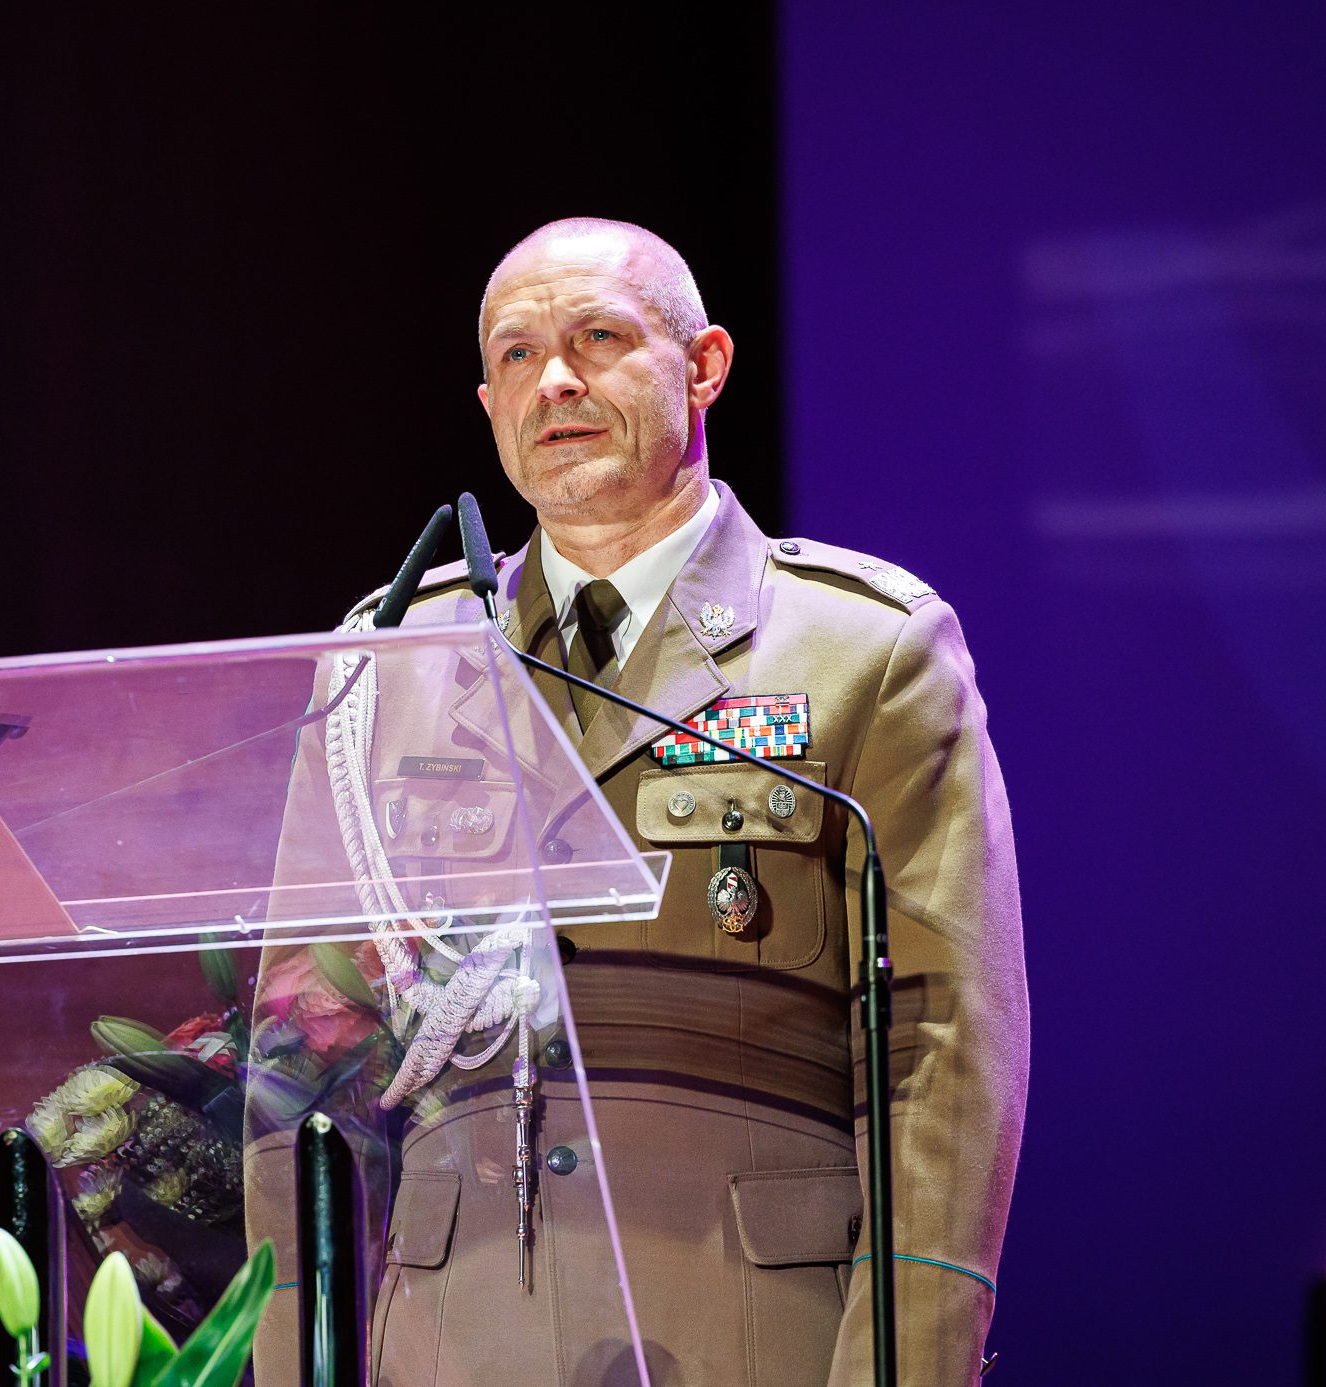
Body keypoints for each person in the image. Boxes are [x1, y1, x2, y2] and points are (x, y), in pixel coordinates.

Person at [244, 219, 1029, 1386]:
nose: (554, 380)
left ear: (704, 366)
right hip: (452, 1346)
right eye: (516, 355)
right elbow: (297, 1058)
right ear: (488, 405)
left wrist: (904, 1366)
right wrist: (292, 1356)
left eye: (598, 338)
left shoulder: (864, 649)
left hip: (749, 1338)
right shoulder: (391, 660)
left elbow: (942, 1048)